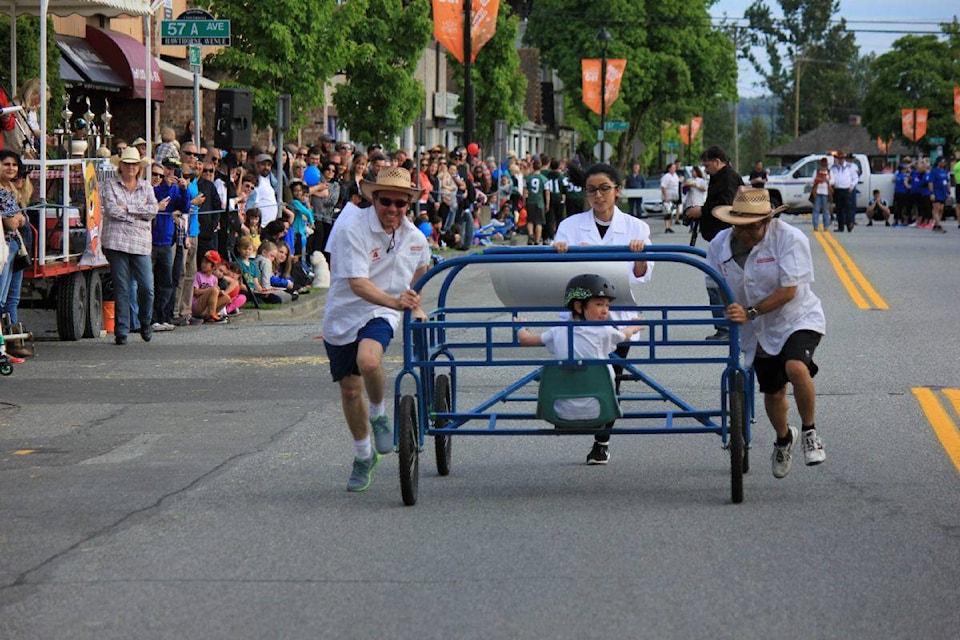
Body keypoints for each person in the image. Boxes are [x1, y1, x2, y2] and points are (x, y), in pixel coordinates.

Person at [322, 167, 431, 492]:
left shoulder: (415, 236)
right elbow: (357, 285)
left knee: (369, 361)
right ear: (373, 198)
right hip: (345, 312)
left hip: (382, 311)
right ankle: (363, 454)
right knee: (350, 389)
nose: (394, 210)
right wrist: (396, 302)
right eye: (387, 202)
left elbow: (421, 268)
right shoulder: (351, 228)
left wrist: (414, 301)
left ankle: (380, 414)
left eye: (401, 204)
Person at [706, 187, 826, 479]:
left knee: (796, 367)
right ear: (733, 222)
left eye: (755, 227)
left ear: (768, 221)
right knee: (773, 392)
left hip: (796, 317)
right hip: (754, 328)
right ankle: (784, 438)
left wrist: (751, 312)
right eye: (742, 228)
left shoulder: (789, 239)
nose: (749, 235)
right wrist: (729, 314)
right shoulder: (720, 246)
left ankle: (810, 432)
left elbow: (789, 290)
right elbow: (715, 287)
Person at [552, 163, 653, 465]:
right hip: (580, 318)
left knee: (613, 377)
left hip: (617, 314)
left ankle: (602, 440)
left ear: (618, 190)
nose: (598, 196)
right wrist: (557, 250)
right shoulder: (570, 226)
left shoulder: (637, 227)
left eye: (605, 189)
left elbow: (642, 276)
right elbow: (555, 271)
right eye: (592, 190)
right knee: (582, 371)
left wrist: (638, 256)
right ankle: (576, 414)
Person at [517, 274, 644, 421]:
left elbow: (525, 340)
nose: (605, 311)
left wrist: (520, 327)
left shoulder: (558, 331)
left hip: (559, 412)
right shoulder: (606, 332)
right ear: (578, 306)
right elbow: (625, 334)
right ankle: (603, 439)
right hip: (600, 411)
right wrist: (634, 326)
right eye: (599, 304)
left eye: (607, 305)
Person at [682, 146, 743, 340]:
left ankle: (726, 328)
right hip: (719, 237)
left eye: (708, 165)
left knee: (716, 282)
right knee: (717, 281)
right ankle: (726, 326)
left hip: (727, 235)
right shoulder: (720, 177)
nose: (706, 169)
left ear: (717, 161)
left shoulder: (728, 178)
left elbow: (727, 204)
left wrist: (702, 211)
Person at [100, 147, 159, 345]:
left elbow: (153, 210)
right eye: (127, 164)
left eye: (134, 164)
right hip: (116, 241)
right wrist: (137, 215)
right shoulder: (110, 184)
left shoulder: (146, 186)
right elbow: (111, 210)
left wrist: (128, 209)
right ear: (121, 166)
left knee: (147, 287)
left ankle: (145, 322)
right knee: (122, 287)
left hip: (140, 243)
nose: (131, 167)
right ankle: (122, 331)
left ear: (139, 167)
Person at [192, 250, 231, 323]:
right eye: (203, 262)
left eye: (207, 263)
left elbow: (214, 294)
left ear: (214, 266)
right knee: (214, 290)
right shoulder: (198, 275)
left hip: (206, 307)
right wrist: (211, 290)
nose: (203, 264)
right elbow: (196, 292)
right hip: (196, 304)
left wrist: (220, 292)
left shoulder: (214, 278)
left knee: (227, 297)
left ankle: (208, 315)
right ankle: (211, 314)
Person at [830, 150, 858, 232]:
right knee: (839, 209)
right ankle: (840, 227)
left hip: (847, 190)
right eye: (839, 158)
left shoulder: (850, 167)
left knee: (848, 208)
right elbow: (832, 178)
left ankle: (849, 224)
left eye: (842, 158)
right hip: (837, 190)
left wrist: (852, 186)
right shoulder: (833, 168)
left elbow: (855, 178)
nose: (840, 160)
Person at [523, 157, 549, 245]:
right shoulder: (544, 179)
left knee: (530, 220)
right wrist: (547, 204)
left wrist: (524, 201)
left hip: (530, 201)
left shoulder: (528, 178)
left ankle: (530, 236)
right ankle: (537, 240)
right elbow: (547, 193)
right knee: (539, 222)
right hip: (539, 202)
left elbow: (525, 192)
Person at [810, 157, 832, 232]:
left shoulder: (829, 172)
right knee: (816, 210)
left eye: (825, 165)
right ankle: (815, 226)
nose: (823, 167)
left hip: (826, 193)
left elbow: (833, 181)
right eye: (822, 165)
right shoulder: (816, 172)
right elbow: (812, 180)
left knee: (825, 210)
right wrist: (819, 179)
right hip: (818, 193)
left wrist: (827, 180)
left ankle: (826, 226)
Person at [929, 156, 950, 234]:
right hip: (936, 192)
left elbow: (947, 182)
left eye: (944, 162)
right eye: (942, 162)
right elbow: (930, 182)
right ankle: (939, 225)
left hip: (943, 192)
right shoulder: (934, 171)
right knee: (936, 209)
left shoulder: (945, 171)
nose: (943, 163)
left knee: (941, 209)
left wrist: (948, 192)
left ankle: (936, 224)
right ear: (938, 162)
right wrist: (932, 193)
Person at [660, 162, 680, 234]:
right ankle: (667, 227)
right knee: (667, 212)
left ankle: (669, 226)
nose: (674, 169)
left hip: (674, 197)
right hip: (668, 197)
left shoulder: (675, 175)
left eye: (675, 168)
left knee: (671, 212)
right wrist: (665, 197)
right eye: (673, 168)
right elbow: (663, 187)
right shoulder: (666, 176)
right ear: (669, 169)